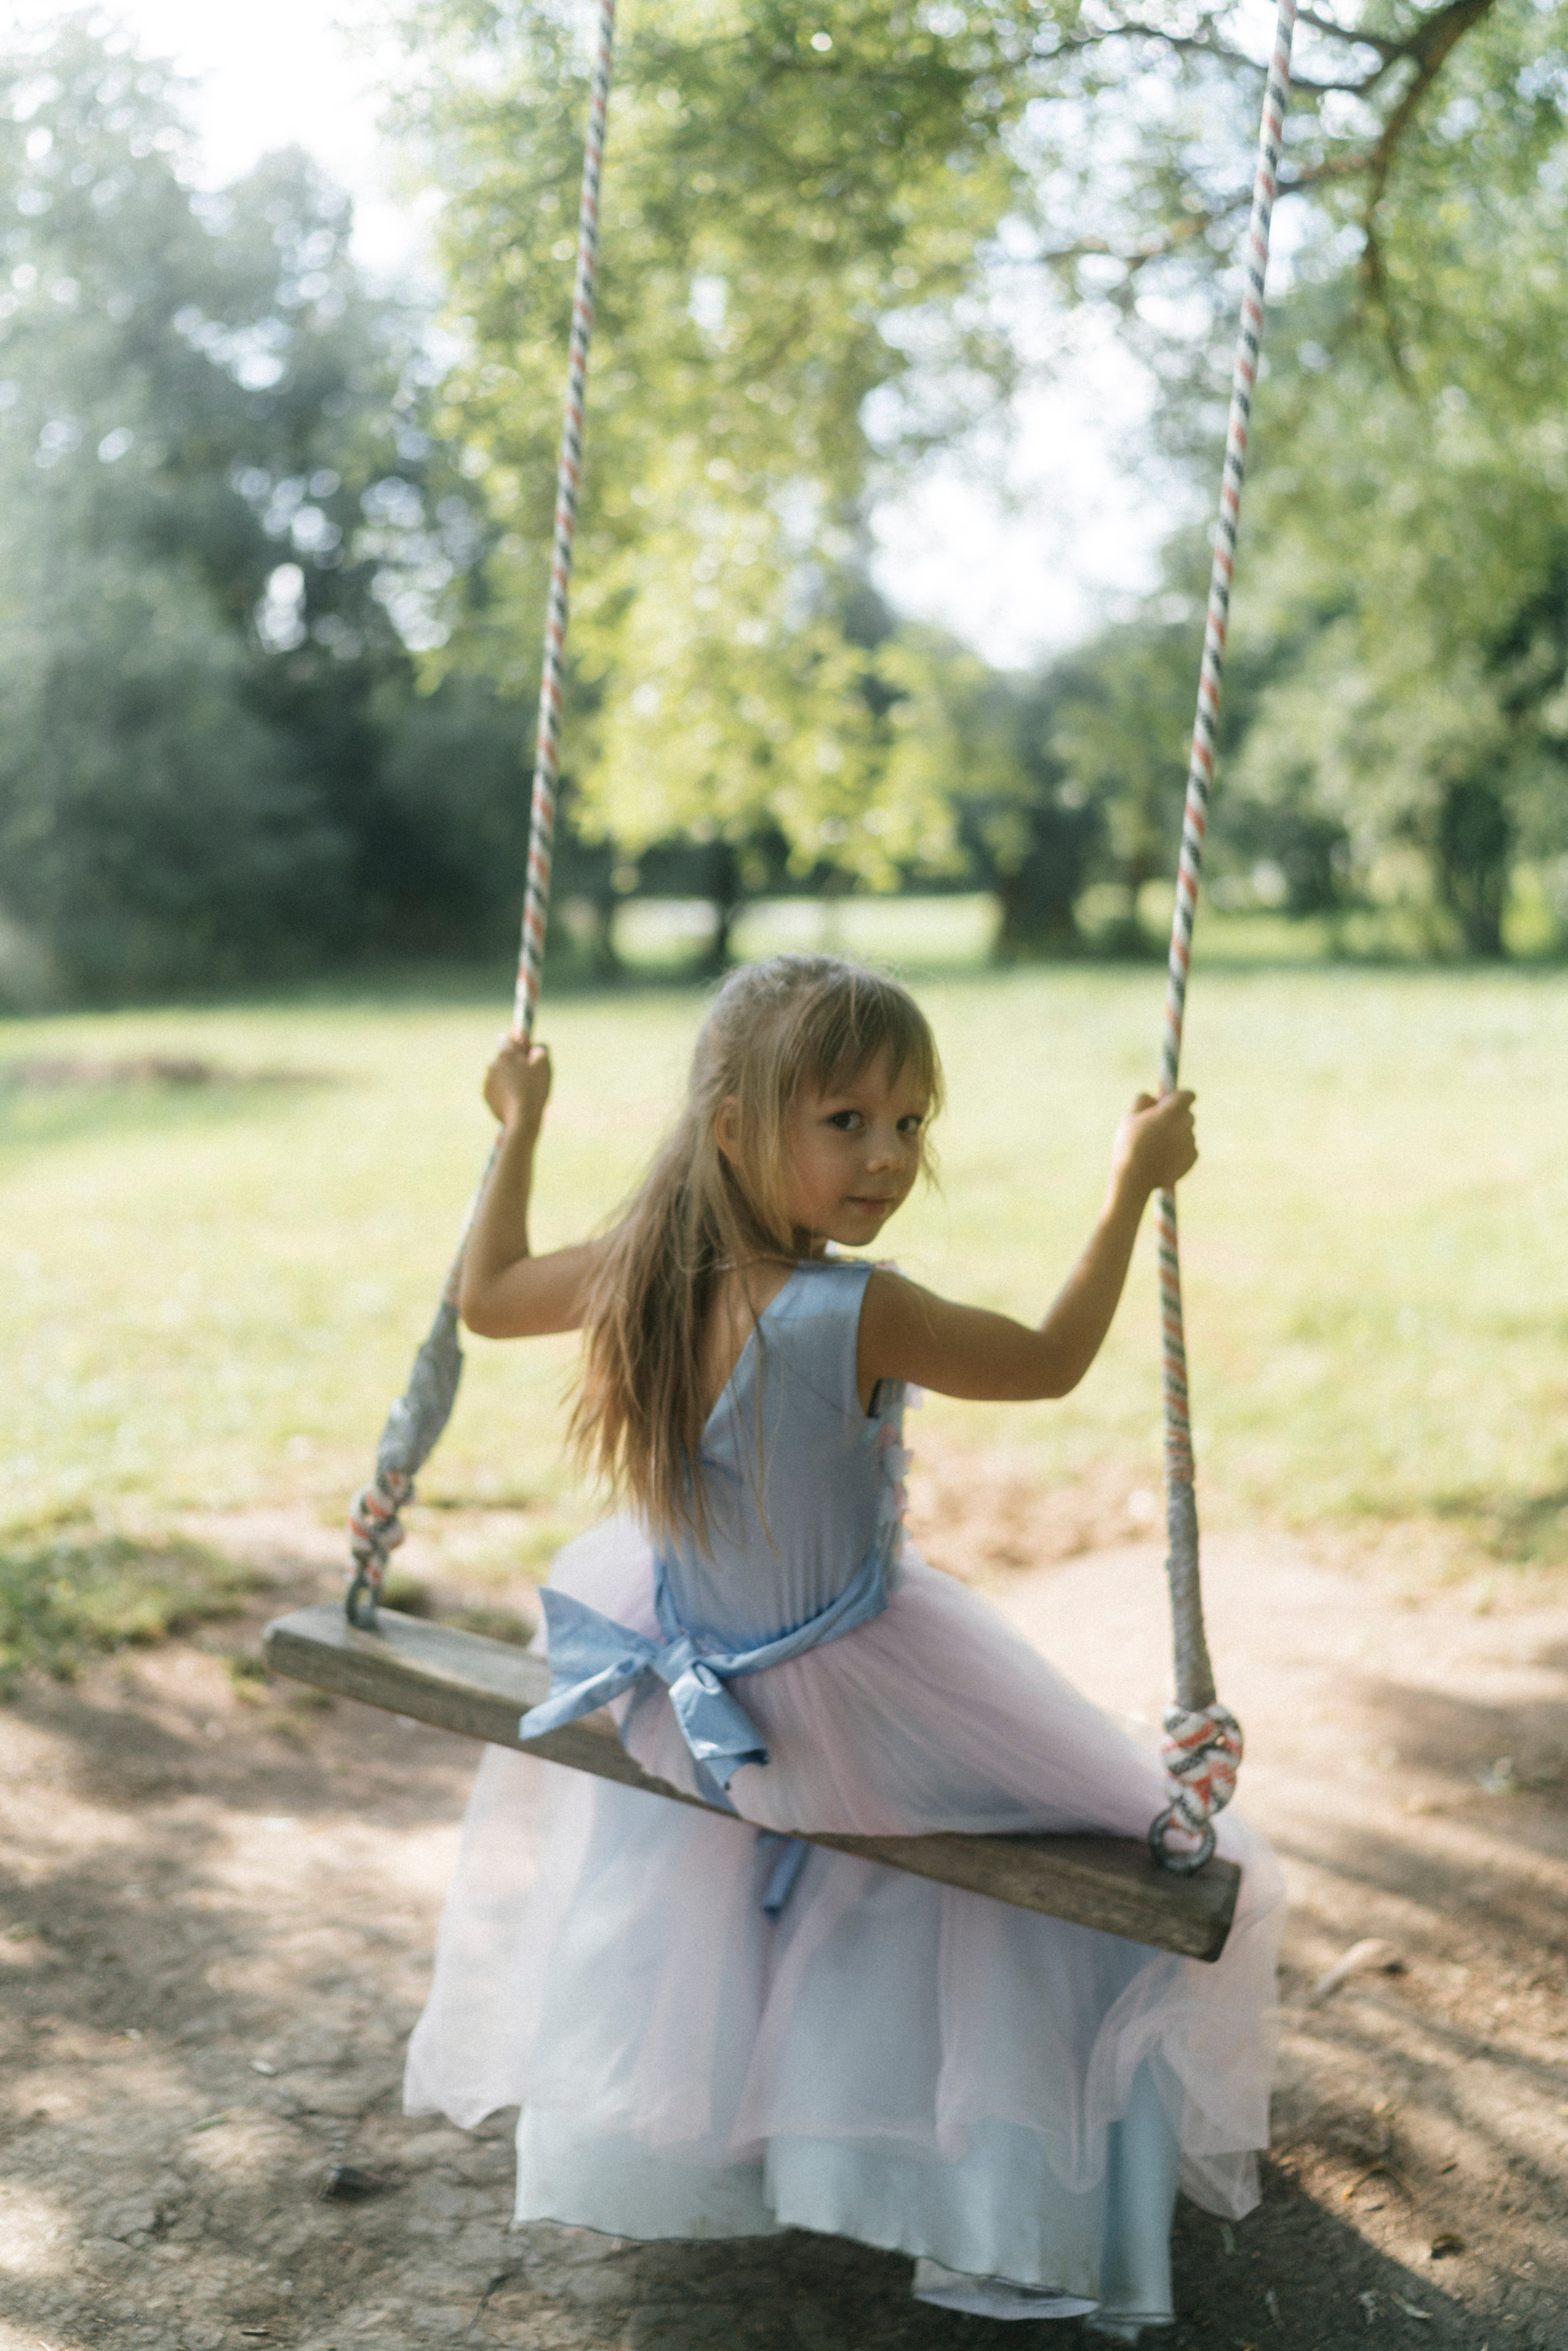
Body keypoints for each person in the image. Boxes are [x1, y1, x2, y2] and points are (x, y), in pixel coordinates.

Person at [405, 954, 1283, 2341]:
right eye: (844, 1120)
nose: (885, 1158)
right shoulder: (850, 1309)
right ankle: (1020, 2194)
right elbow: (1051, 1357)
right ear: (734, 1121)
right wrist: (1132, 1183)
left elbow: (491, 1289)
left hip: (683, 1694)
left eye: (909, 1122)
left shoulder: (642, 1266)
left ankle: (806, 2136)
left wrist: (516, 1124)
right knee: (1109, 1845)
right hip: (829, 1719)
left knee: (895, 1854)